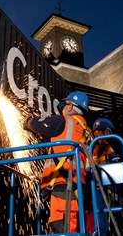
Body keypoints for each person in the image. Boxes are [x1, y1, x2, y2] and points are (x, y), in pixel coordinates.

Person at [24, 91, 93, 234]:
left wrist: (28, 121)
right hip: (78, 186)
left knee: (61, 226)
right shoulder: (87, 131)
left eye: (63, 105)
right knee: (72, 226)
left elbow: (42, 124)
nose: (61, 109)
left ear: (69, 107)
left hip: (64, 185)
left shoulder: (65, 121)